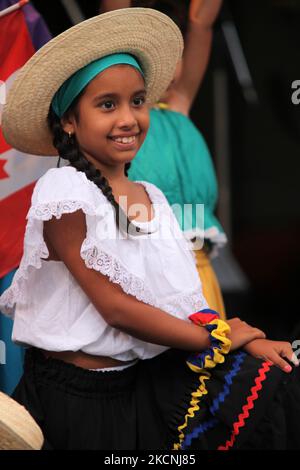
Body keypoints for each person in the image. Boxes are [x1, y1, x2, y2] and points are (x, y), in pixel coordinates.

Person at [0, 8, 299, 451]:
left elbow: (178, 300)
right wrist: (215, 339)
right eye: (107, 105)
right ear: (68, 121)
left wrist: (238, 338)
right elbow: (115, 308)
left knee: (269, 388)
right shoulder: (65, 191)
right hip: (77, 400)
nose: (128, 118)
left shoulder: (152, 198)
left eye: (137, 101)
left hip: (137, 386)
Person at [100, 0, 227, 319]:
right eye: (150, 56)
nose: (166, 64)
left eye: (174, 53)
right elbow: (114, 19)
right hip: (153, 278)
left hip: (201, 272)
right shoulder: (123, 127)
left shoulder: (179, 106)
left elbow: (201, 22)